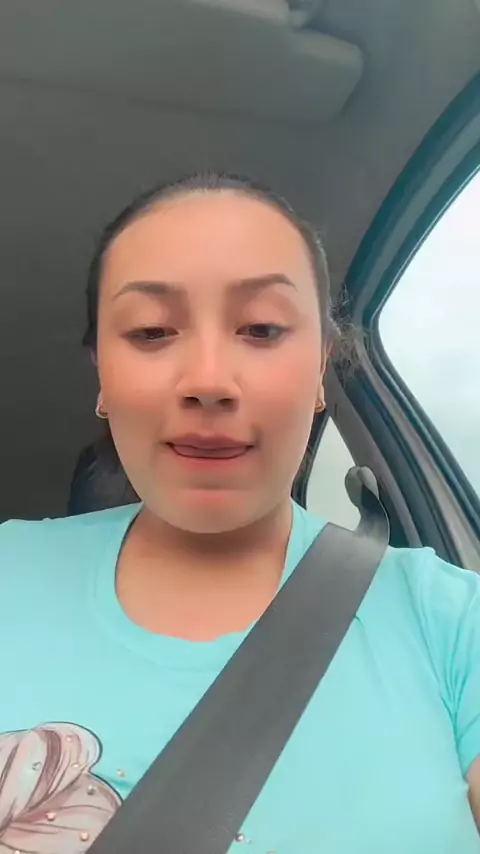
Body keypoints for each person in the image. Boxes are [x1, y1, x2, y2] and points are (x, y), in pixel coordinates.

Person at [0, 171, 479, 854]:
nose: (208, 381)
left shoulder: (452, 623)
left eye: (261, 328)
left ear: (321, 367)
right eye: (151, 330)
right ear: (102, 373)